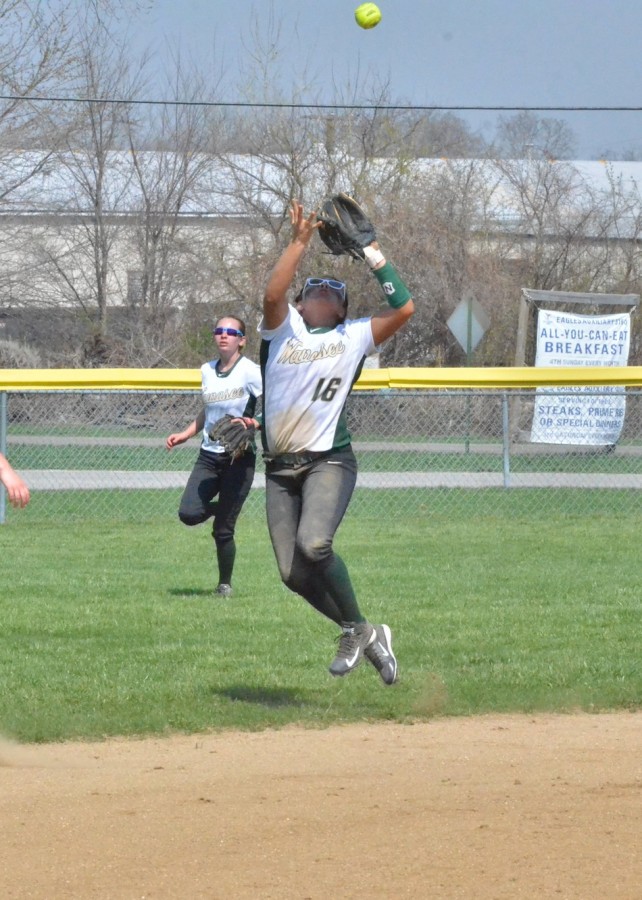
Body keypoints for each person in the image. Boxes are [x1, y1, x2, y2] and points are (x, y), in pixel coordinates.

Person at [259, 199, 415, 684]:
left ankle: (354, 628)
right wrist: (300, 241)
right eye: (316, 289)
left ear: (344, 307)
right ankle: (363, 630)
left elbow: (404, 306)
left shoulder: (353, 336)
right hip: (280, 469)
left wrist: (371, 251)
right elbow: (271, 294)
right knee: (291, 572)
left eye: (335, 290)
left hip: (329, 460)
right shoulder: (283, 332)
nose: (325, 292)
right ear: (301, 304)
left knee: (314, 543)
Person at [166, 316, 262, 597]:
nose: (224, 336)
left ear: (242, 340)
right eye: (219, 331)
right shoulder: (207, 370)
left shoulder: (250, 371)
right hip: (208, 455)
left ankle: (224, 585)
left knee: (222, 531)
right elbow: (209, 411)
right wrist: (186, 433)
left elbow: (275, 403)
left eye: (231, 332)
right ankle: (229, 510)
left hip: (238, 457)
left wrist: (254, 423)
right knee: (188, 513)